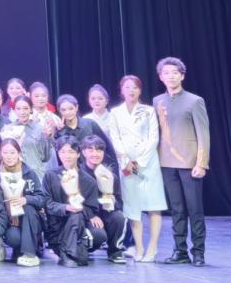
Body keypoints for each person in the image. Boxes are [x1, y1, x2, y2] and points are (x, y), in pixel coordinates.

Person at [153, 56, 209, 266]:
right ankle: (180, 251)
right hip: (166, 163)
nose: (170, 76)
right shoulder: (157, 101)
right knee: (176, 210)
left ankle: (199, 252)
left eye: (175, 72)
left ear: (182, 76)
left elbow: (203, 134)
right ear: (161, 77)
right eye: (166, 73)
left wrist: (201, 163)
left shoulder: (194, 101)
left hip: (189, 163)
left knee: (195, 210)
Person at [109, 74, 166, 262]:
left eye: (135, 87)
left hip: (148, 163)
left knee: (153, 205)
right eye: (127, 87)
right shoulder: (115, 113)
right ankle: (139, 248)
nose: (131, 90)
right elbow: (115, 138)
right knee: (133, 208)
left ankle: (152, 247)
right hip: (126, 164)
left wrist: (140, 161)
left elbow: (153, 138)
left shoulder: (148, 111)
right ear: (121, 90)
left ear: (140, 90)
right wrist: (126, 160)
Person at [43, 135, 99, 267]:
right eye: (62, 152)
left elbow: (91, 208)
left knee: (77, 216)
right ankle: (70, 253)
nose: (66, 156)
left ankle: (67, 254)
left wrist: (79, 208)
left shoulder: (88, 180)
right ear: (58, 154)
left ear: (78, 154)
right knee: (81, 259)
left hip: (79, 226)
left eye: (71, 152)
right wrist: (65, 208)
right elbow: (45, 202)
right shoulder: (50, 175)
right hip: (56, 225)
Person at [0, 138, 46, 267]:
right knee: (14, 237)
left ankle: (30, 254)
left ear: (19, 153)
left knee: (28, 207)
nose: (9, 156)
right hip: (10, 221)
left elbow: (42, 199)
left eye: (12, 152)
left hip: (31, 219)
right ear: (0, 154)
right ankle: (18, 249)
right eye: (5, 153)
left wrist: (26, 199)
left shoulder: (29, 173)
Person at [81, 135, 127, 264]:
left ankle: (115, 251)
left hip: (105, 213)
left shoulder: (110, 175)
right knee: (97, 235)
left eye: (99, 150)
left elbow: (119, 202)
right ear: (83, 152)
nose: (95, 154)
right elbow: (72, 201)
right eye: (90, 150)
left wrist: (113, 201)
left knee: (119, 217)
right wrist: (91, 215)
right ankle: (82, 247)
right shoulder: (78, 174)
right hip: (85, 216)